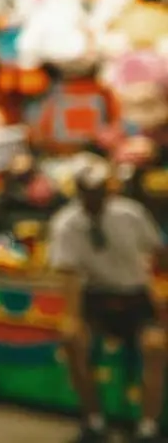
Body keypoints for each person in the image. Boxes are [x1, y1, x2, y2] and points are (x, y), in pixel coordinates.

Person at [50, 159, 168, 442]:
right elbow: (69, 275)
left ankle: (148, 426)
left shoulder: (131, 214)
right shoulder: (66, 224)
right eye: (88, 191)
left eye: (99, 190)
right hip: (96, 298)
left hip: (135, 296)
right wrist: (72, 318)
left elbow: (158, 252)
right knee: (74, 342)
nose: (94, 197)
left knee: (155, 347)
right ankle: (94, 420)